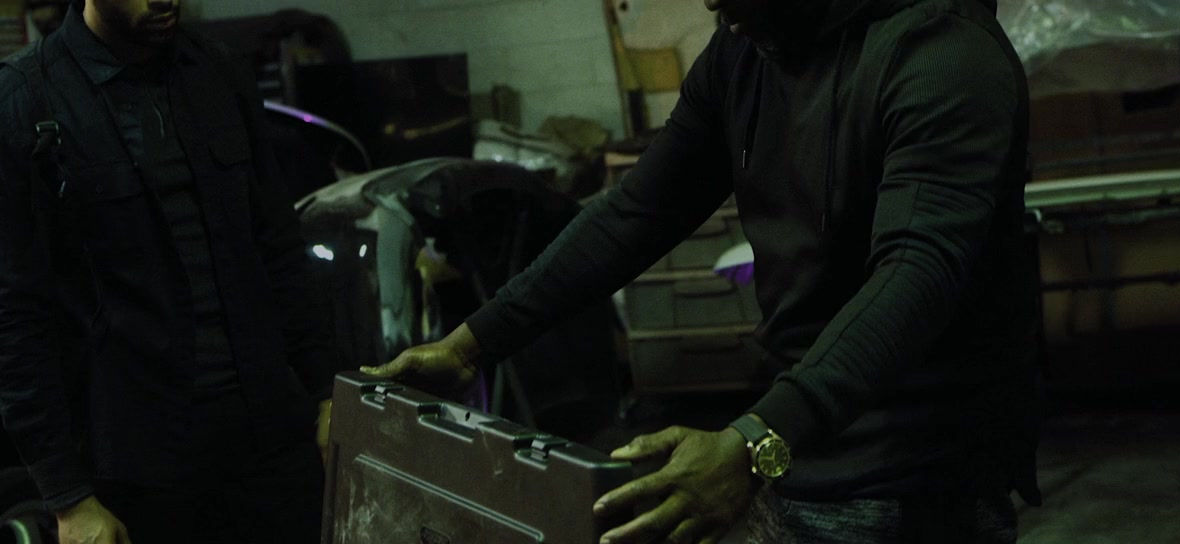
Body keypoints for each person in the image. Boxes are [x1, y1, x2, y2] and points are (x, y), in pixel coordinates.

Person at [363, 0, 1041, 542]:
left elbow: (915, 276)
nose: (711, 1)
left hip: (918, 478)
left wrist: (752, 443)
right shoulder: (746, 50)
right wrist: (471, 345)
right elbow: (636, 212)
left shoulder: (942, 51)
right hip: (800, 452)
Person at [0, 0, 337, 543]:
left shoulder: (218, 71)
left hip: (269, 444)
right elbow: (16, 317)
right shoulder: (25, 99)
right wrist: (68, 498)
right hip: (141, 472)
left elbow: (277, 244)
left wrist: (325, 390)